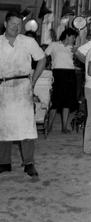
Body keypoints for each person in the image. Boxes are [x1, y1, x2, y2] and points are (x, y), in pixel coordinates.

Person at [0, 11, 46, 177]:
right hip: (3, 88)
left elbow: (42, 59)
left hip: (23, 87)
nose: (16, 27)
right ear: (5, 24)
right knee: (3, 126)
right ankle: (4, 163)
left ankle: (29, 163)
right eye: (12, 23)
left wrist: (33, 81)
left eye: (19, 24)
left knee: (26, 127)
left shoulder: (28, 41)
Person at [45, 28, 79, 133]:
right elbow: (44, 55)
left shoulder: (73, 48)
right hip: (58, 74)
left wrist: (76, 53)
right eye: (73, 37)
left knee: (67, 101)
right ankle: (49, 126)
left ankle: (64, 127)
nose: (74, 40)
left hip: (70, 74)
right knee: (55, 101)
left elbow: (75, 62)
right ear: (67, 36)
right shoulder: (54, 45)